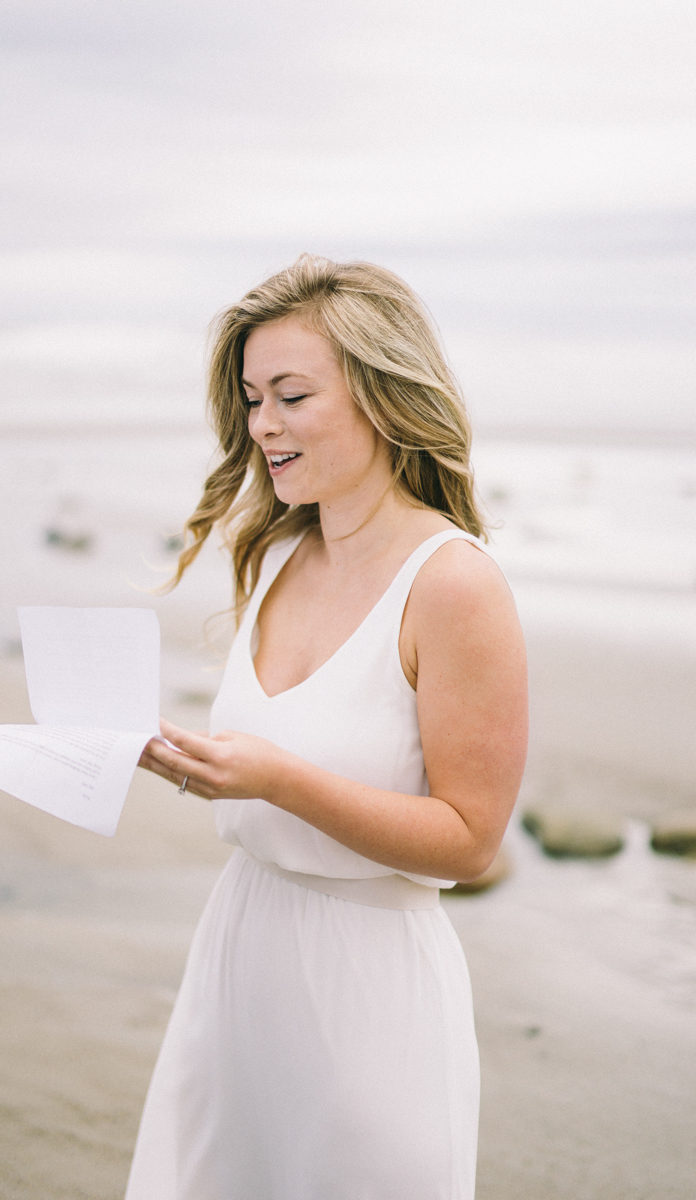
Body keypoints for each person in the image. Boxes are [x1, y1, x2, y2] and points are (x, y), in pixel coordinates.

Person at [125, 255, 528, 1200]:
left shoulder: (453, 583)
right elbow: (282, 749)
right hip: (236, 957)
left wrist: (275, 780)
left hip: (369, 994)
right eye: (253, 397)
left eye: (292, 395)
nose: (263, 424)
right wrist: (192, 760)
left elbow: (469, 841)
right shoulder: (274, 552)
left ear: (383, 397)